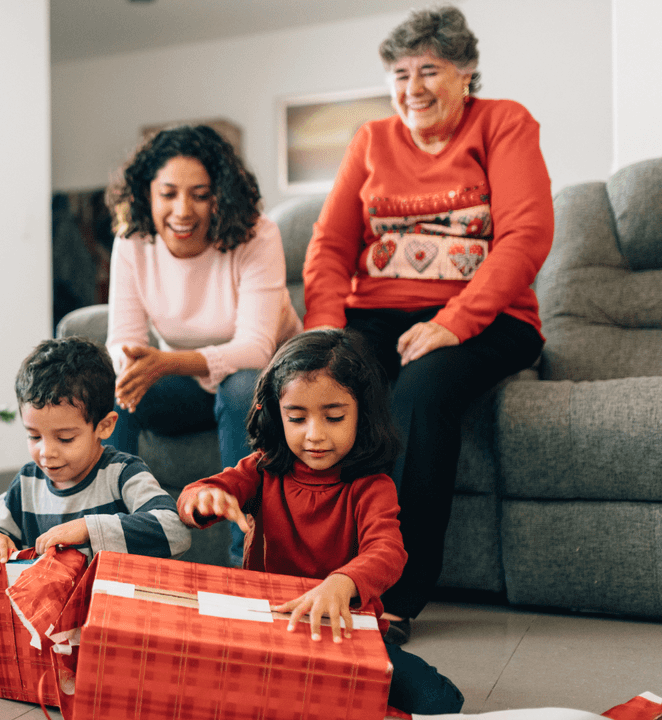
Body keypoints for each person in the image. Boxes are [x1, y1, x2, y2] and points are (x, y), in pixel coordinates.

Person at [301, 5, 552, 645]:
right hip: (377, 312)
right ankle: (312, 573)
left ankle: (389, 598)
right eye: (400, 73)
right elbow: (329, 245)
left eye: (430, 70)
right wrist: (325, 336)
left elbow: (526, 235)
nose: (412, 88)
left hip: (490, 317)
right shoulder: (370, 140)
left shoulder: (504, 123)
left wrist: (455, 321)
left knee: (419, 392)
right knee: (328, 389)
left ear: (466, 73)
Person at [177, 329, 463, 716]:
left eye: (333, 417)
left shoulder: (371, 487)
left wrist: (342, 583)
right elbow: (200, 493)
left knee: (441, 702)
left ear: (363, 413)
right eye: (297, 417)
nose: (315, 435)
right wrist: (204, 497)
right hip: (270, 630)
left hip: (346, 635)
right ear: (276, 415)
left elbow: (388, 551)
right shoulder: (263, 469)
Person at [102, 124, 301, 567]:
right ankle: (109, 554)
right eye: (168, 193)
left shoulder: (256, 236)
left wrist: (165, 362)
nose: (182, 210)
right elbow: (124, 341)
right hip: (188, 389)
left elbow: (255, 351)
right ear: (146, 195)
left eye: (200, 194)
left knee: (241, 384)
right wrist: (134, 366)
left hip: (265, 391)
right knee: (117, 391)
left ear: (221, 197)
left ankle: (247, 563)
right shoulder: (133, 242)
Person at [0, 337, 190, 680]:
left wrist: (90, 528)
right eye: (34, 436)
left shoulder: (122, 474)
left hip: (107, 620)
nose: (46, 453)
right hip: (41, 624)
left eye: (65, 438)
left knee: (151, 656)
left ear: (104, 426)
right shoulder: (29, 481)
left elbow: (174, 529)